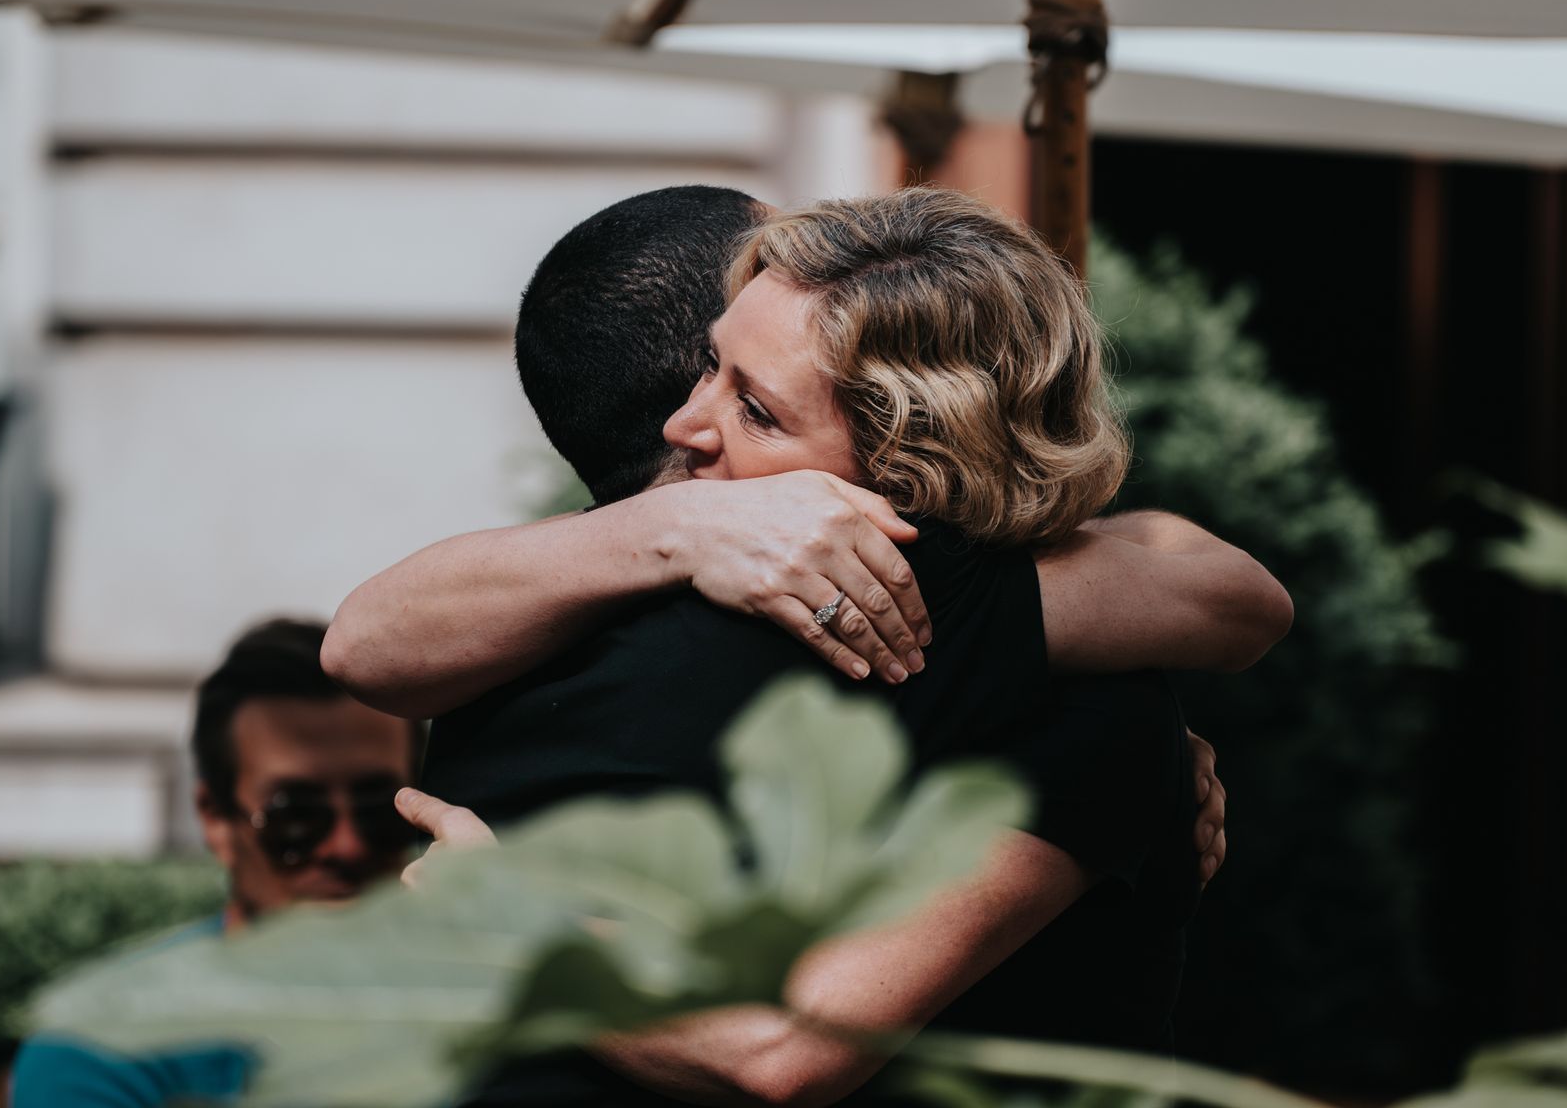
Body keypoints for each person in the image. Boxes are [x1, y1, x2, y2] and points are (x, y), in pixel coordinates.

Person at [328, 187, 1289, 1105]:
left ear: (910, 457)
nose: (685, 425)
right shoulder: (639, 582)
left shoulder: (525, 621)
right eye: (711, 366)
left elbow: (1232, 597)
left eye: (756, 407)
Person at [9, 619, 418, 1108]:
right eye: (296, 816)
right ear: (217, 821)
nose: (346, 846)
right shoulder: (103, 1042)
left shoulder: (488, 1010)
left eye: (380, 810)